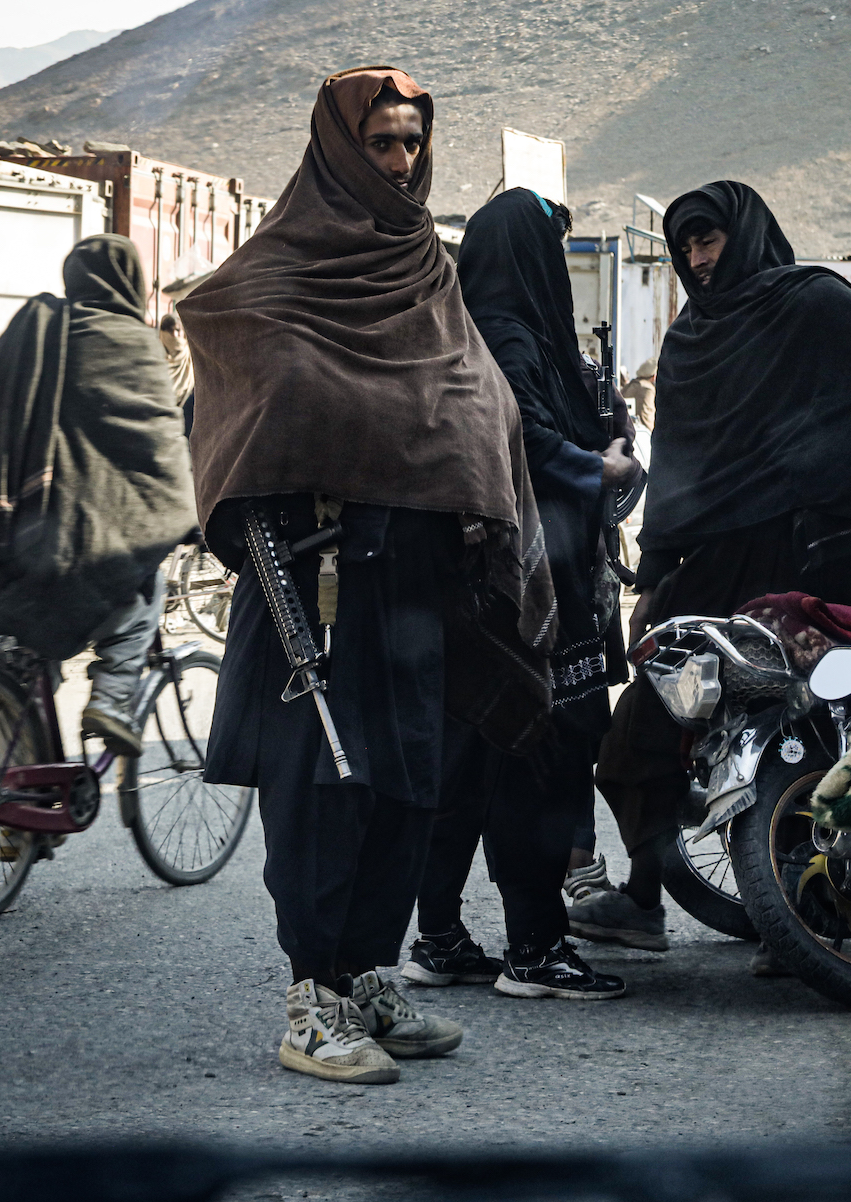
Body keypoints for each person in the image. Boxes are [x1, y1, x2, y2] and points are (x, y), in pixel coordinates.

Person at [179, 67, 556, 1084]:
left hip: (418, 590)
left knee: (410, 787)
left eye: (410, 144)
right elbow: (231, 404)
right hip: (319, 584)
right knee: (324, 788)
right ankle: (312, 996)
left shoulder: (426, 276)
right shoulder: (273, 275)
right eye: (381, 142)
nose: (397, 161)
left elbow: (476, 404)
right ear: (342, 147)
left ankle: (369, 975)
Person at [572, 180, 851, 952]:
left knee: (825, 736)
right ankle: (644, 898)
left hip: (819, 568)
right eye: (685, 248)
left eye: (708, 239)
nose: (698, 259)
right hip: (717, 573)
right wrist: (652, 582)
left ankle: (815, 917)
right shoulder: (690, 342)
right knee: (641, 735)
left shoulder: (809, 303)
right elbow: (682, 469)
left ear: (742, 234)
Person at [402, 187, 637, 1002]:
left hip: (476, 591)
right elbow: (523, 437)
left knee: (465, 771)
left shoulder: (470, 331)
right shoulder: (510, 336)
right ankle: (535, 952)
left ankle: (438, 941)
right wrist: (597, 468)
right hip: (528, 588)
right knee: (535, 763)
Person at [0, 235, 194, 757]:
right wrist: (186, 512)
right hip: (84, 544)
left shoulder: (38, 332)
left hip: (10, 539)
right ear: (135, 287)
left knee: (24, 662)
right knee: (143, 588)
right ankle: (114, 698)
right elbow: (160, 455)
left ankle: (17, 811)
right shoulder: (135, 343)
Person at [158, 312, 196, 435]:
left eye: (178, 330)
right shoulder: (155, 358)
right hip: (163, 424)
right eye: (170, 331)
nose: (175, 335)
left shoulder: (192, 357)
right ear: (162, 333)